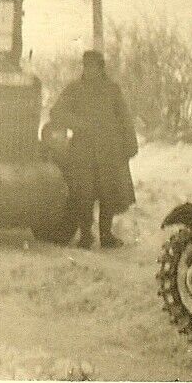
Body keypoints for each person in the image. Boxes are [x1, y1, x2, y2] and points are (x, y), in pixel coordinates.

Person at [49, 50, 138, 249]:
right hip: (83, 153)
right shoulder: (75, 89)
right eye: (86, 66)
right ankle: (85, 236)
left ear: (101, 67)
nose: (89, 70)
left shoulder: (112, 90)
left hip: (109, 152)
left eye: (94, 66)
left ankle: (106, 235)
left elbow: (124, 118)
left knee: (109, 195)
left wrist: (130, 143)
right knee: (84, 195)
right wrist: (79, 123)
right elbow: (56, 112)